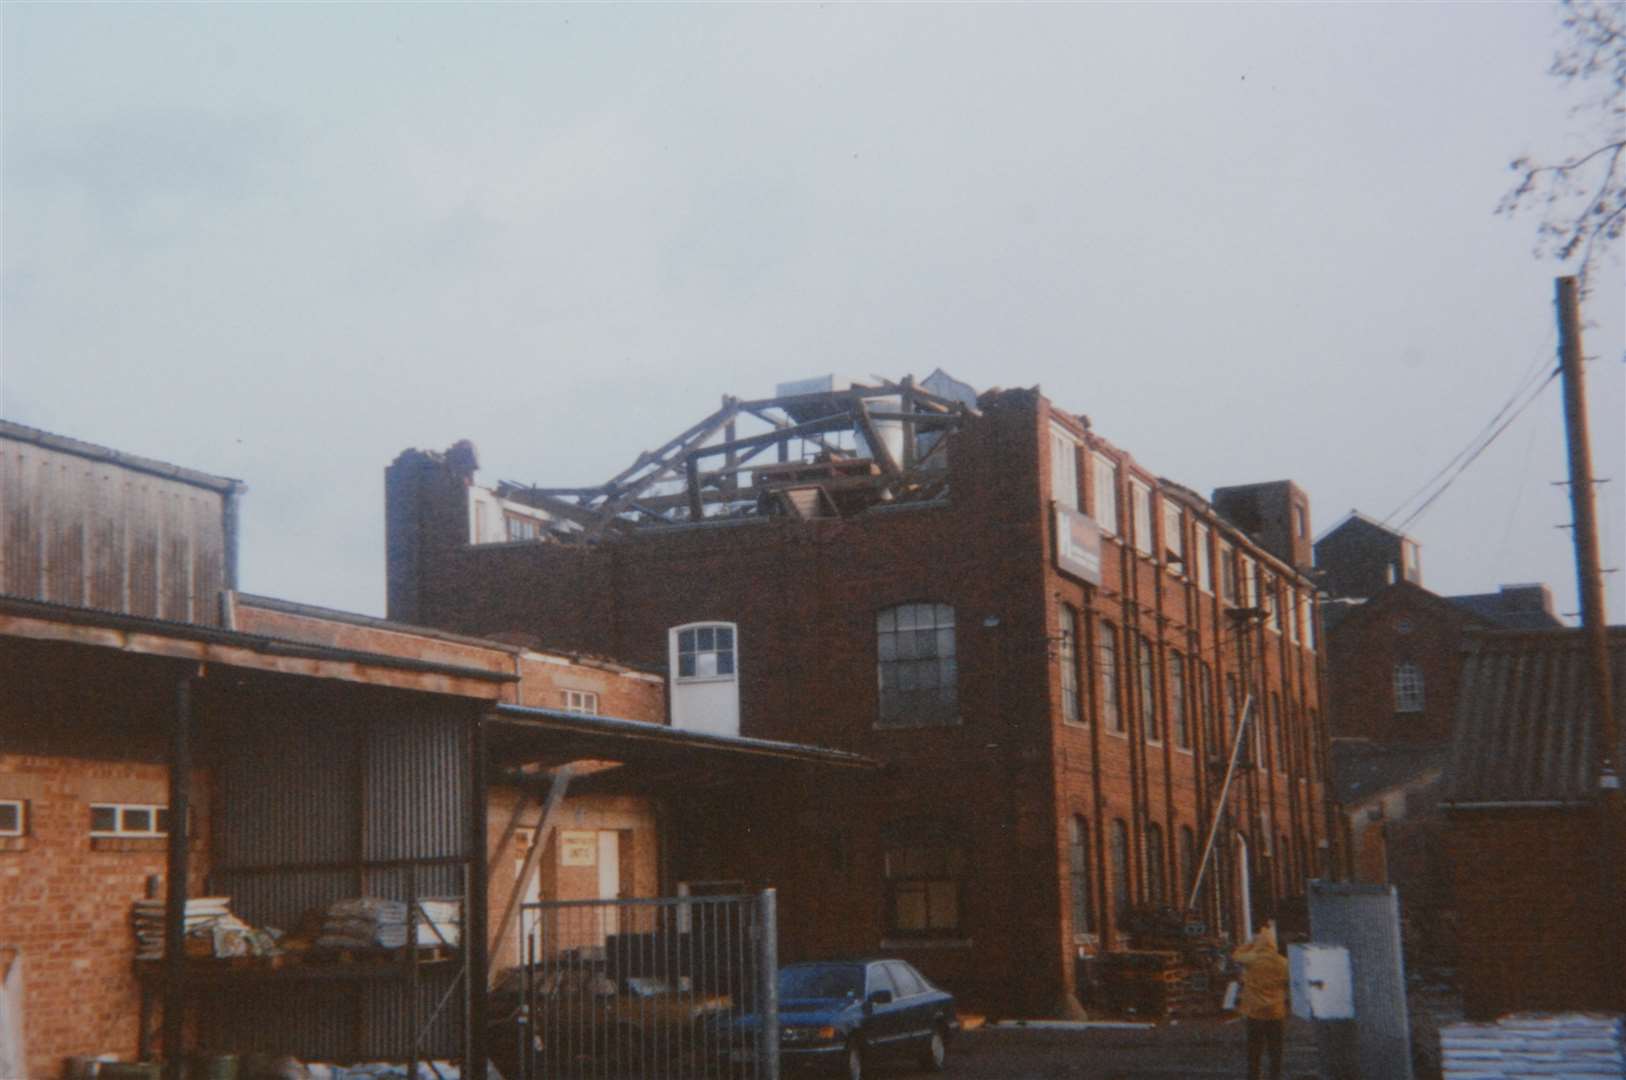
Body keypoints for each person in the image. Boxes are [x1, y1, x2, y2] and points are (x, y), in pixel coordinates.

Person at [1233, 921, 1289, 1080]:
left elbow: (1236, 954)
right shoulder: (1282, 962)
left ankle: (1254, 1076)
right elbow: (1289, 980)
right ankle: (1275, 1076)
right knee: (1276, 1049)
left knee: (1254, 1049)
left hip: (1255, 1011)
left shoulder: (1251, 959)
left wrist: (1251, 943)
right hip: (1276, 1012)